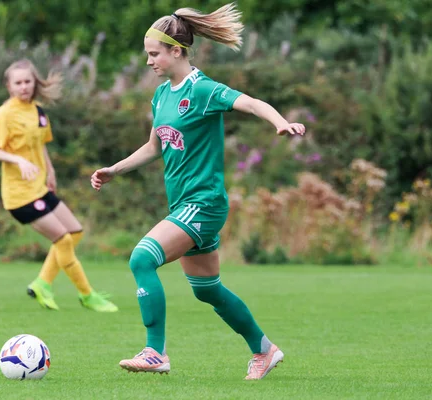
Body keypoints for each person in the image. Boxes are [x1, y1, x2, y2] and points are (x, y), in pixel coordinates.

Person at [90, 4, 305, 379]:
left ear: (177, 51)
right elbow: (154, 147)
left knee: (142, 259)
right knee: (207, 290)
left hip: (203, 204)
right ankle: (264, 349)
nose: (148, 62)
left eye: (153, 54)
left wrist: (281, 122)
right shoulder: (161, 96)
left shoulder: (203, 89)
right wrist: (114, 170)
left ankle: (156, 352)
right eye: (147, 55)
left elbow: (250, 102)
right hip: (184, 205)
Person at [0, 59, 118, 313]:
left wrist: (51, 171)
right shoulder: (3, 115)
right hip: (19, 196)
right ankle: (87, 295)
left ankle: (42, 283)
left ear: (34, 83)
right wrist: (17, 160)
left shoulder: (39, 112)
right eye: (18, 82)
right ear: (9, 86)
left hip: (40, 188)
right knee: (64, 240)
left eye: (28, 81)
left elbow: (41, 145)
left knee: (75, 231)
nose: (24, 87)